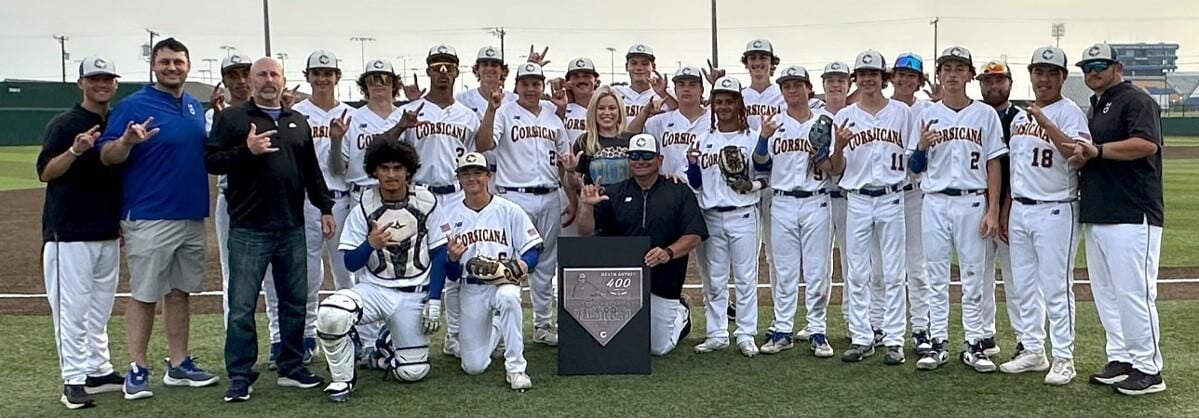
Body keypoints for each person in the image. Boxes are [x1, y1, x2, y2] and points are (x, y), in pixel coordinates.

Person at [205, 57, 334, 402]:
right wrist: (246, 151)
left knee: (294, 300)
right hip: (249, 227)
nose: (268, 80)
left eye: (274, 74)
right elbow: (211, 161)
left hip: (291, 224)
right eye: (261, 74)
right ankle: (240, 374)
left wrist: (325, 207)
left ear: (283, 80)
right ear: (250, 80)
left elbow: (311, 171)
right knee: (243, 304)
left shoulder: (297, 121)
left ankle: (291, 366)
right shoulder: (233, 118)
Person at [96, 37, 219, 400]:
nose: (172, 68)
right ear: (154, 65)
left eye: (178, 62)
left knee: (180, 293)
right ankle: (137, 366)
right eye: (165, 62)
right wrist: (128, 142)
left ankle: (178, 364)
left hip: (190, 214)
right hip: (150, 216)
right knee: (146, 294)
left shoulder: (194, 107)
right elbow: (107, 156)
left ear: (188, 66)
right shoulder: (134, 105)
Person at [313, 139, 449, 402]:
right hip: (375, 289)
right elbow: (351, 262)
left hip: (413, 292)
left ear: (408, 171)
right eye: (384, 168)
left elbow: (439, 253)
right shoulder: (364, 205)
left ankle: (384, 347)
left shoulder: (428, 201)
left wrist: (434, 299)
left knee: (412, 372)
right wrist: (370, 244)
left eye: (397, 168)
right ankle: (342, 379)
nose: (391, 174)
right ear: (374, 171)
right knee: (332, 314)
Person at [1067, 42, 1166, 396]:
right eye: (1087, 66)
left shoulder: (1135, 100)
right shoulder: (1096, 106)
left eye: (1099, 64)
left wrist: (1099, 151)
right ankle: (1122, 357)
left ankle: (1149, 368)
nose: (1092, 71)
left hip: (1132, 212)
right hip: (1100, 212)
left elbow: (1146, 144)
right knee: (1107, 294)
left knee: (1133, 293)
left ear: (1116, 67)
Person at [908, 46, 1007, 372]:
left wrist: (993, 209)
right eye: (946, 68)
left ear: (969, 74)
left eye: (959, 68)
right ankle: (937, 343)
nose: (952, 74)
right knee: (935, 275)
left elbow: (994, 163)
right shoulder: (925, 113)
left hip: (972, 201)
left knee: (974, 276)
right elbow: (914, 166)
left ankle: (975, 344)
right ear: (939, 75)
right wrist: (922, 146)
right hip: (935, 200)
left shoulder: (985, 114)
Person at [995, 46, 1090, 386]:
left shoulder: (1070, 113)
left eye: (1051, 73)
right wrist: (1007, 208)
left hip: (1056, 208)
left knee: (1056, 287)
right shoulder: (1021, 117)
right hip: (1021, 208)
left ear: (1063, 77)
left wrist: (1046, 122)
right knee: (1023, 286)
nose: (1044, 79)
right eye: (1039, 72)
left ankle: (1064, 357)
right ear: (1031, 75)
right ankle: (1033, 349)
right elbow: (1016, 171)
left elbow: (1077, 157)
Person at [378, 45, 480, 358]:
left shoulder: (467, 115)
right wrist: (401, 126)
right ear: (429, 71)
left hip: (454, 193)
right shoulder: (411, 110)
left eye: (449, 66)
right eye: (437, 66)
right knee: (409, 265)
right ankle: (399, 336)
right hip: (419, 195)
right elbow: (380, 148)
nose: (443, 72)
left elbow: (478, 151)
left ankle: (455, 334)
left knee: (453, 263)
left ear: (457, 71)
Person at [37, 56, 124, 409]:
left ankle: (97, 370)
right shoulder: (64, 124)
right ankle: (72, 380)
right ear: (81, 83)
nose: (101, 85)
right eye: (94, 79)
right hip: (68, 232)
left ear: (115, 83)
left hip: (106, 231)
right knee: (71, 310)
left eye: (107, 79)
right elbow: (46, 172)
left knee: (99, 309)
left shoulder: (116, 122)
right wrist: (75, 150)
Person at [575, 133, 707, 356]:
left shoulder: (679, 191)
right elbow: (585, 232)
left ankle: (681, 314)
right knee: (614, 340)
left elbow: (695, 234)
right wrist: (586, 207)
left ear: (659, 159)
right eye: (635, 155)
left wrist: (668, 252)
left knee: (658, 348)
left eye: (647, 155)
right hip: (620, 284)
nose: (640, 161)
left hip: (664, 282)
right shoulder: (614, 192)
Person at [475, 62, 572, 346]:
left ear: (542, 85)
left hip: (551, 194)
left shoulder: (554, 116)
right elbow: (482, 145)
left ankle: (543, 324)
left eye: (535, 83)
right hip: (514, 196)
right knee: (507, 263)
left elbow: (565, 162)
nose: (531, 88)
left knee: (546, 264)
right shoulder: (504, 111)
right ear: (516, 85)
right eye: (525, 83)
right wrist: (491, 110)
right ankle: (503, 329)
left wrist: (573, 199)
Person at [830, 50, 911, 365]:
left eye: (873, 74)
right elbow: (836, 169)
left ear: (883, 78)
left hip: (892, 195)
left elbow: (915, 155)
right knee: (858, 271)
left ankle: (894, 339)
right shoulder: (844, 116)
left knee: (892, 271)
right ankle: (862, 337)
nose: (867, 79)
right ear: (856, 79)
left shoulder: (902, 112)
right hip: (858, 198)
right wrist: (838, 144)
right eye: (862, 74)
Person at [750, 65, 836, 357]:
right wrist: (763, 137)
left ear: (809, 89)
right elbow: (761, 163)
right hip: (782, 200)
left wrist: (823, 154)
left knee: (816, 269)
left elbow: (833, 169)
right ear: (782, 90)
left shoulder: (825, 122)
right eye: (787, 85)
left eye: (798, 85)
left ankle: (817, 330)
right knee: (785, 271)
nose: (792, 90)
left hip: (816, 199)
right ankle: (783, 329)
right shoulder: (774, 123)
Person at [440, 152, 543, 390]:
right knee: (473, 367)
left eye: (478, 173)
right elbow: (452, 275)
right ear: (459, 179)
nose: (472, 178)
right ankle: (497, 327)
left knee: (508, 297)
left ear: (488, 176)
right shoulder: (448, 214)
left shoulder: (509, 210)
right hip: (470, 288)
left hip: (502, 282)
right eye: (466, 174)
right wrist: (453, 259)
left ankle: (516, 369)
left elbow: (534, 248)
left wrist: (521, 265)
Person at [284, 50, 358, 367]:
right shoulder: (296, 113)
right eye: (317, 73)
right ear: (308, 76)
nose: (323, 78)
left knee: (345, 273)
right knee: (309, 275)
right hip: (305, 201)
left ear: (337, 77)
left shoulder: (348, 114)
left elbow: (340, 168)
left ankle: (353, 332)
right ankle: (307, 337)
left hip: (338, 198)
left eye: (328, 73)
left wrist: (337, 140)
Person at [340, 58, 416, 361]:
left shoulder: (406, 115)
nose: (379, 84)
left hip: (397, 197)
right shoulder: (352, 116)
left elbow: (410, 161)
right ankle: (367, 339)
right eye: (373, 78)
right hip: (360, 193)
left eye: (385, 78)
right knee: (361, 267)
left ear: (393, 83)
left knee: (397, 263)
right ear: (365, 84)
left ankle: (392, 335)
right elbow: (342, 162)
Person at [685, 76, 766, 357]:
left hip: (743, 214)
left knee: (745, 278)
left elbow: (767, 177)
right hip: (711, 214)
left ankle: (745, 333)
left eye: (729, 101)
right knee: (715, 280)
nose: (723, 106)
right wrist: (692, 165)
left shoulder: (753, 138)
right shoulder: (703, 138)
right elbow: (696, 184)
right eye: (719, 101)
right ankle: (716, 332)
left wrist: (751, 186)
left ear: (739, 104)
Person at [819, 61, 886, 347]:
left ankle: (853, 318)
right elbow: (823, 162)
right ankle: (816, 322)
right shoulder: (816, 116)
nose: (835, 84)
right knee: (818, 264)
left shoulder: (858, 115)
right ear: (823, 85)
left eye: (840, 80)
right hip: (821, 197)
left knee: (856, 261)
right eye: (830, 80)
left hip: (851, 198)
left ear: (849, 84)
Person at [889, 52, 933, 354]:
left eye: (911, 75)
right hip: (886, 195)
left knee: (917, 267)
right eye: (901, 74)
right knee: (881, 269)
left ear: (919, 81)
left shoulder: (928, 110)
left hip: (915, 193)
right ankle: (879, 326)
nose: (905, 79)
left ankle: (920, 328)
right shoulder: (882, 109)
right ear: (893, 77)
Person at [977, 59, 1020, 359]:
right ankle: (983, 335)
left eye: (998, 80)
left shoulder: (1021, 117)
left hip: (1011, 206)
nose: (993, 86)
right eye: (988, 81)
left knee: (1017, 278)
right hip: (975, 203)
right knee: (980, 276)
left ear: (1010, 83)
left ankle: (1025, 339)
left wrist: (1004, 206)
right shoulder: (974, 115)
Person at [613, 44, 676, 118]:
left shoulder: (664, 94)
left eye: (645, 64)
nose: (639, 67)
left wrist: (663, 93)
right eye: (634, 63)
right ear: (626, 66)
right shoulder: (616, 92)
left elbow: (682, 115)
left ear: (653, 67)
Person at [555, 57, 601, 142]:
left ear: (595, 81)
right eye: (576, 77)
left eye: (586, 76)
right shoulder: (561, 108)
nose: (581, 80)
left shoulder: (605, 108)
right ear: (568, 82)